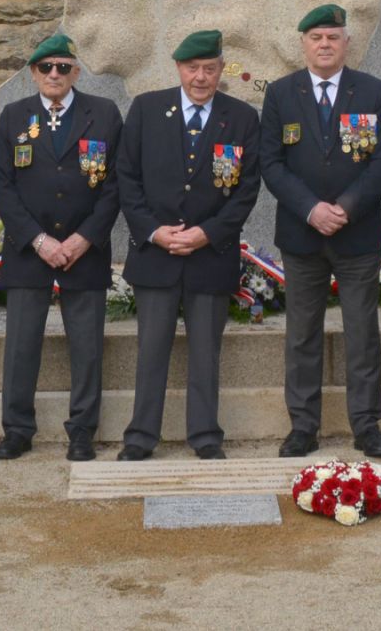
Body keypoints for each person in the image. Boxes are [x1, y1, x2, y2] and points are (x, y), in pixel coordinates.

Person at [116, 29, 263, 461]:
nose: (201, 77)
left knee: (205, 353)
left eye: (210, 69)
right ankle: (140, 436)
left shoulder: (241, 117)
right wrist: (154, 231)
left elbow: (246, 189)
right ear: (179, 68)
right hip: (155, 254)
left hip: (210, 255)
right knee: (151, 351)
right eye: (193, 68)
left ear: (221, 70)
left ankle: (205, 435)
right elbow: (127, 178)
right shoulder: (146, 109)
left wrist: (207, 233)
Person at [258, 4, 381, 459]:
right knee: (302, 333)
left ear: (346, 43)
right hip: (302, 235)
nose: (324, 44)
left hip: (356, 235)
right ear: (303, 44)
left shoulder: (373, 92)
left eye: (333, 37)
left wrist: (345, 208)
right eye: (316, 37)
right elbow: (271, 164)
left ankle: (366, 425)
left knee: (362, 332)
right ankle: (303, 426)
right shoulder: (281, 93)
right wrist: (311, 209)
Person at [0, 33, 122, 462]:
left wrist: (84, 238)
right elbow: (2, 185)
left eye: (63, 67)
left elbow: (115, 183)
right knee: (21, 346)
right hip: (30, 250)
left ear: (76, 72)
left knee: (87, 348)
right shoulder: (14, 115)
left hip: (85, 250)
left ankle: (82, 431)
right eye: (46, 67)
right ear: (33, 73)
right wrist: (39, 240)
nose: (54, 74)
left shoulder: (103, 113)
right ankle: (16, 430)